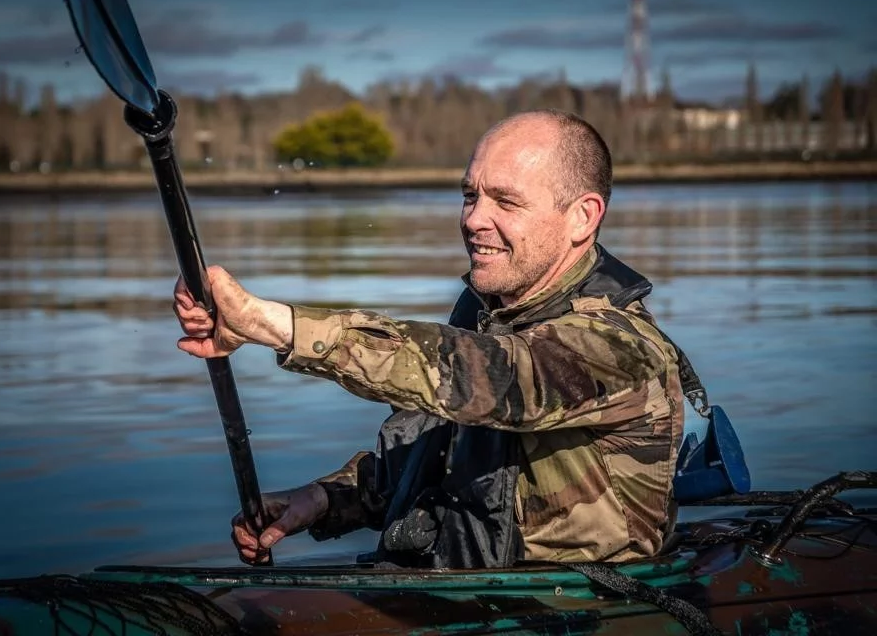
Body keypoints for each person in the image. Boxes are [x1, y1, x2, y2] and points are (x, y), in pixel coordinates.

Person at [173, 109, 694, 569]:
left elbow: (488, 377)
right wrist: (323, 500)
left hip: (570, 605)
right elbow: (430, 452)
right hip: (454, 584)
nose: (473, 220)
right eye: (470, 195)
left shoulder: (621, 345)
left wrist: (269, 324)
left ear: (583, 217)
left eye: (505, 202)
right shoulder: (487, 315)